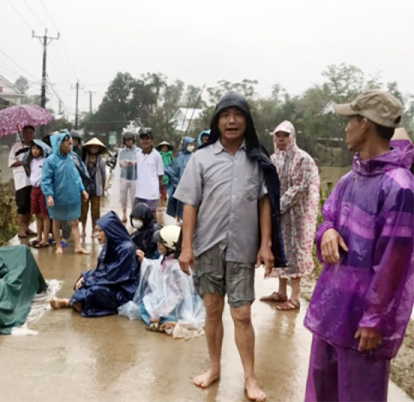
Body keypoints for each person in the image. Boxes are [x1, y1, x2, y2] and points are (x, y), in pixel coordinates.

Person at [173, 92, 285, 402]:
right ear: (217, 121)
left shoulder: (256, 159)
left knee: (243, 315)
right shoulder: (201, 158)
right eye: (225, 115)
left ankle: (250, 377)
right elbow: (190, 204)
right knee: (211, 311)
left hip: (242, 249)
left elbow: (265, 203)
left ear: (246, 121)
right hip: (207, 248)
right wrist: (186, 247)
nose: (231, 120)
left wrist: (265, 245)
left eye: (238, 114)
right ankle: (214, 367)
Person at [303, 91, 414, 402]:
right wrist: (326, 232)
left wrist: (373, 318)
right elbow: (328, 219)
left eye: (350, 120)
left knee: (359, 394)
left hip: (364, 321)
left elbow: (395, 262)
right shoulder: (349, 180)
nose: (346, 128)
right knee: (321, 390)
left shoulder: (399, 187)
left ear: (365, 124)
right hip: (333, 306)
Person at [260, 121, 320, 311]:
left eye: (285, 135)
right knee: (281, 251)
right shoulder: (273, 159)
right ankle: (281, 292)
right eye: (278, 135)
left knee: (294, 253)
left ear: (292, 137)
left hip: (296, 215)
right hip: (279, 215)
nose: (281, 139)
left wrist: (278, 205)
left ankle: (294, 298)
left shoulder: (303, 159)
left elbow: (300, 187)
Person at [50, 211, 140, 317]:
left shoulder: (126, 248)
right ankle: (76, 302)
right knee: (81, 283)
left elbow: (113, 275)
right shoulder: (109, 244)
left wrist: (89, 280)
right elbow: (101, 269)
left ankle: (69, 302)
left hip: (123, 288)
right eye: (95, 230)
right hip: (112, 282)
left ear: (109, 230)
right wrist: (85, 277)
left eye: (99, 231)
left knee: (95, 290)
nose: (96, 234)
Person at [120, 225, 204, 334]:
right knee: (145, 306)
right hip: (172, 300)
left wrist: (157, 314)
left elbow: (177, 295)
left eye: (161, 242)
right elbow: (156, 266)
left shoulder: (175, 267)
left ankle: (172, 322)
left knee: (145, 310)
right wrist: (144, 261)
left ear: (170, 245)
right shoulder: (168, 259)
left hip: (181, 304)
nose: (157, 244)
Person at [41, 132, 89, 255]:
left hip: (72, 196)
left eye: (70, 143)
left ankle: (78, 246)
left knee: (74, 222)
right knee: (56, 222)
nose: (70, 145)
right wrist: (49, 195)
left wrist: (82, 189)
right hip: (57, 196)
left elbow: (76, 176)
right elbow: (46, 179)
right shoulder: (50, 161)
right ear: (59, 144)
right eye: (67, 143)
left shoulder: (70, 159)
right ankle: (58, 245)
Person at [8, 125, 36, 239]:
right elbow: (11, 163)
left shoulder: (35, 146)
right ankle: (21, 229)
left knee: (30, 206)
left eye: (31, 133)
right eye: (26, 133)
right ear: (23, 134)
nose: (28, 135)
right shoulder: (16, 147)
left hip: (33, 180)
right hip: (21, 181)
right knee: (22, 206)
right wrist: (22, 162)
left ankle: (27, 227)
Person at [25, 139, 52, 248]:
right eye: (33, 149)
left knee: (45, 214)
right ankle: (39, 237)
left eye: (37, 149)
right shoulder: (31, 162)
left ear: (42, 150)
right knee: (37, 214)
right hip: (34, 189)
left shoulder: (46, 161)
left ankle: (45, 238)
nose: (35, 151)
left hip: (43, 189)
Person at [80, 138, 107, 239]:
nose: (94, 149)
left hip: (96, 188)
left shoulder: (101, 161)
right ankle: (83, 229)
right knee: (84, 210)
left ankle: (94, 230)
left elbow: (103, 176)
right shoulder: (84, 159)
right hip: (85, 187)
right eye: (92, 147)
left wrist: (103, 189)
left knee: (95, 211)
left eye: (96, 148)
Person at [165, 136, 196, 223]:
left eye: (192, 144)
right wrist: (176, 180)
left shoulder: (194, 156)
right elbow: (173, 168)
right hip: (181, 183)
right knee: (179, 202)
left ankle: (187, 218)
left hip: (191, 182)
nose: (191, 146)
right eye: (189, 144)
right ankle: (178, 218)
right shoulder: (180, 155)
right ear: (185, 145)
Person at [135, 130, 164, 216]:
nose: (145, 141)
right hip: (139, 192)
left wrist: (156, 188)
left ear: (152, 140)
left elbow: (160, 174)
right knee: (138, 215)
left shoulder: (157, 155)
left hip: (151, 193)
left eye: (147, 139)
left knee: (151, 215)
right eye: (143, 139)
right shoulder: (138, 154)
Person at [118, 131, 141, 224]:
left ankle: (133, 214)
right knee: (123, 197)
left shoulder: (138, 151)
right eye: (127, 140)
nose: (129, 142)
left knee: (134, 197)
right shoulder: (122, 151)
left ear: (133, 140)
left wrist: (134, 163)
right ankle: (124, 214)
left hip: (135, 177)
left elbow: (140, 161)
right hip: (124, 176)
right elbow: (120, 163)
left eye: (130, 140)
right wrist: (125, 163)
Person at [156, 141, 174, 210]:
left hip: (167, 176)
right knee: (159, 190)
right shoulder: (158, 156)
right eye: (163, 148)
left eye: (166, 148)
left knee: (165, 191)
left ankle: (162, 204)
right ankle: (159, 204)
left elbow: (173, 164)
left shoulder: (170, 156)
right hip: (160, 175)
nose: (164, 149)